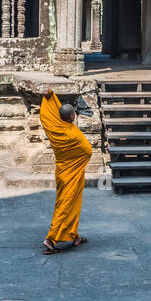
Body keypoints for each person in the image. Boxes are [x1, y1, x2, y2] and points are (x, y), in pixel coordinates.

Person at [39, 87, 92, 254]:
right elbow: (88, 151)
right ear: (71, 117)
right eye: (74, 114)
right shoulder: (73, 135)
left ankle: (73, 235)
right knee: (66, 203)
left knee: (71, 203)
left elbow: (46, 113)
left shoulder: (54, 125)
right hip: (72, 173)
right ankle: (51, 239)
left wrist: (50, 97)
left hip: (62, 171)